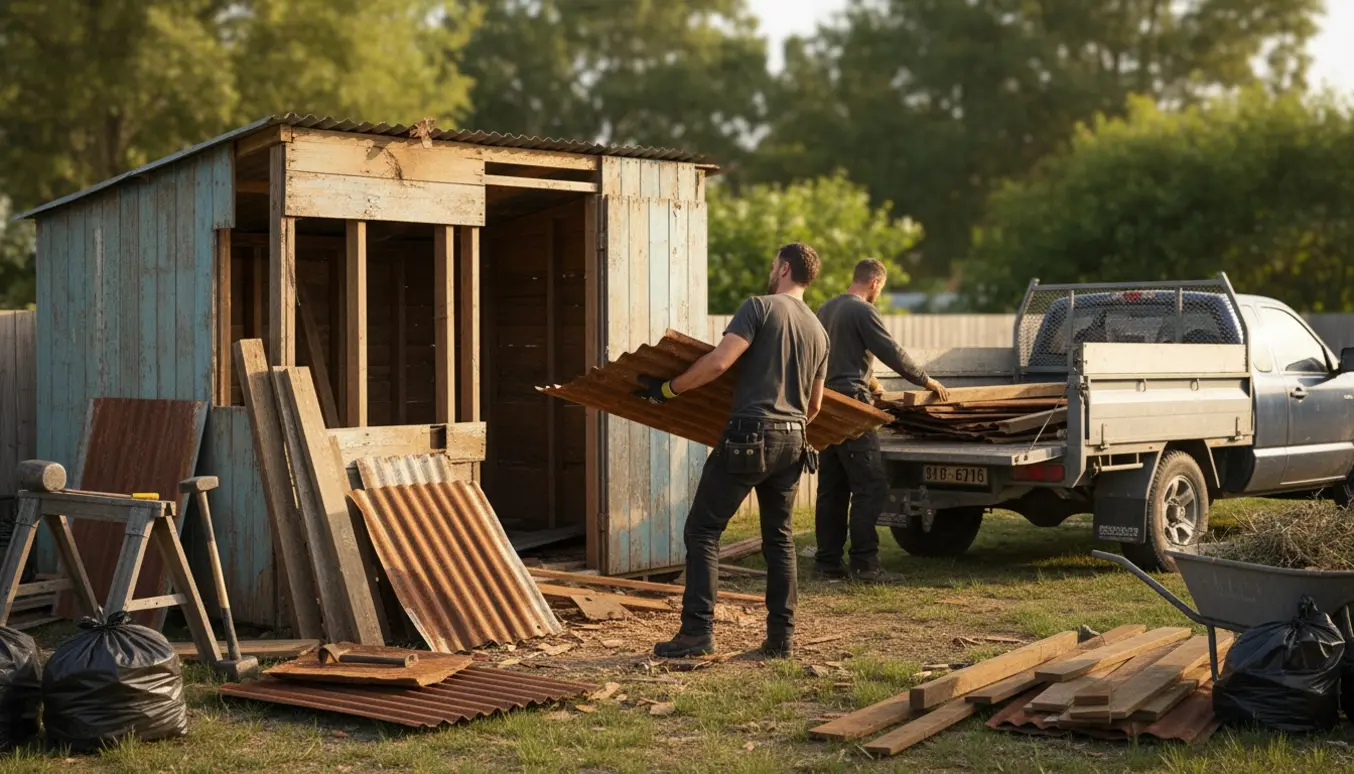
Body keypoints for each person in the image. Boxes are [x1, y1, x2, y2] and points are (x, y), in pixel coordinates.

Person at [635, 243, 830, 659]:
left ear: (782, 267)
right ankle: (781, 639)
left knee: (702, 530)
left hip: (749, 435)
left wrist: (667, 390)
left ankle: (697, 634)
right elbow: (814, 407)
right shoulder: (819, 330)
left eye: (772, 263)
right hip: (795, 439)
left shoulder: (759, 307)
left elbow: (719, 363)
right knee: (779, 539)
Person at [814, 258, 949, 582]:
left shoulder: (826, 310)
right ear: (875, 283)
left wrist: (873, 384)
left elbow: (838, 356)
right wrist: (925, 380)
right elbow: (890, 350)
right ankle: (865, 564)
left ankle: (827, 563)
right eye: (881, 288)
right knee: (871, 485)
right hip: (851, 406)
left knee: (832, 489)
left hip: (825, 404)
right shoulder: (863, 310)